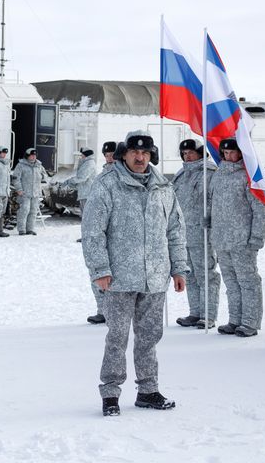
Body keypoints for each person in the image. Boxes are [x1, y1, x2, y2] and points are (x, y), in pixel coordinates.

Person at [82, 130, 189, 417]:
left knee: (150, 336)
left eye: (145, 153)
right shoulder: (107, 185)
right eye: (134, 152)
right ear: (124, 155)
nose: (140, 157)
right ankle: (111, 393)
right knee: (117, 336)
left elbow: (175, 230)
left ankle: (148, 390)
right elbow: (93, 232)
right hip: (118, 278)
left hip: (155, 276)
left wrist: (179, 267)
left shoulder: (163, 187)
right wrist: (100, 269)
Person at [208, 138, 265, 337]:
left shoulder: (248, 177)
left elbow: (260, 210)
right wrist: (209, 220)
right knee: (231, 282)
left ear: (241, 153)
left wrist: (257, 238)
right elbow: (213, 202)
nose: (228, 156)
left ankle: (250, 322)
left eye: (232, 152)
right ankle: (235, 319)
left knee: (247, 281)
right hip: (222, 238)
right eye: (224, 153)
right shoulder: (218, 175)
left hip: (242, 240)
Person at [172, 139, 220, 329]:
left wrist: (211, 223)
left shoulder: (209, 174)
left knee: (206, 275)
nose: (187, 156)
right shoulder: (181, 175)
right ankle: (195, 312)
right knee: (190, 275)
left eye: (191, 153)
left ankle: (208, 315)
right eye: (184, 154)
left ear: (201, 153)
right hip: (183, 234)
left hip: (202, 232)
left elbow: (215, 201)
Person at [85, 141, 121, 324]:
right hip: (100, 232)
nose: (109, 158)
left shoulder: (122, 176)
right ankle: (103, 310)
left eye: (113, 155)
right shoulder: (102, 176)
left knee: (114, 276)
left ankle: (114, 311)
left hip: (117, 234)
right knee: (97, 272)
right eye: (107, 155)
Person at [11, 147, 48, 235]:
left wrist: (42, 177)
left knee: (33, 211)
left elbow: (45, 175)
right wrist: (19, 189)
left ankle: (30, 229)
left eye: (34, 155)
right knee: (24, 210)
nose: (33, 157)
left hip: (35, 193)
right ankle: (22, 229)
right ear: (27, 156)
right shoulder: (21, 165)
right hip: (24, 193)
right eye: (31, 155)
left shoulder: (39, 165)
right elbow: (16, 179)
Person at [64, 147, 98, 214]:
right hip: (85, 194)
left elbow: (81, 178)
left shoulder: (89, 164)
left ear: (86, 155)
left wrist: (69, 181)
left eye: (82, 154)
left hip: (87, 194)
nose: (80, 156)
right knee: (85, 216)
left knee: (87, 216)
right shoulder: (86, 163)